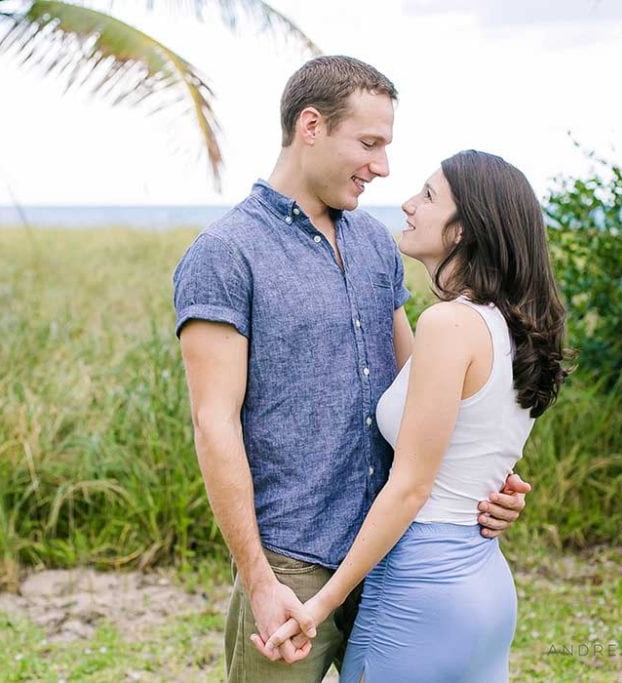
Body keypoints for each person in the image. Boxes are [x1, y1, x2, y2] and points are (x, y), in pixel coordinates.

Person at [172, 56, 532, 683]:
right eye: (368, 143)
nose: (383, 166)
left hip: (396, 552)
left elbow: (426, 392)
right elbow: (214, 424)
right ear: (310, 126)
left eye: (387, 146)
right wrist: (259, 578)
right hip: (293, 562)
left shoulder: (372, 242)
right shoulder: (226, 253)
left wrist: (488, 479)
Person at [255, 150, 570, 682]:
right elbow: (470, 438)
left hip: (421, 586)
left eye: (428, 196)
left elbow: (410, 488)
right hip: (483, 581)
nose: (407, 204)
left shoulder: (449, 325)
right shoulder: (510, 326)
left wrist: (320, 605)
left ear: (463, 231)